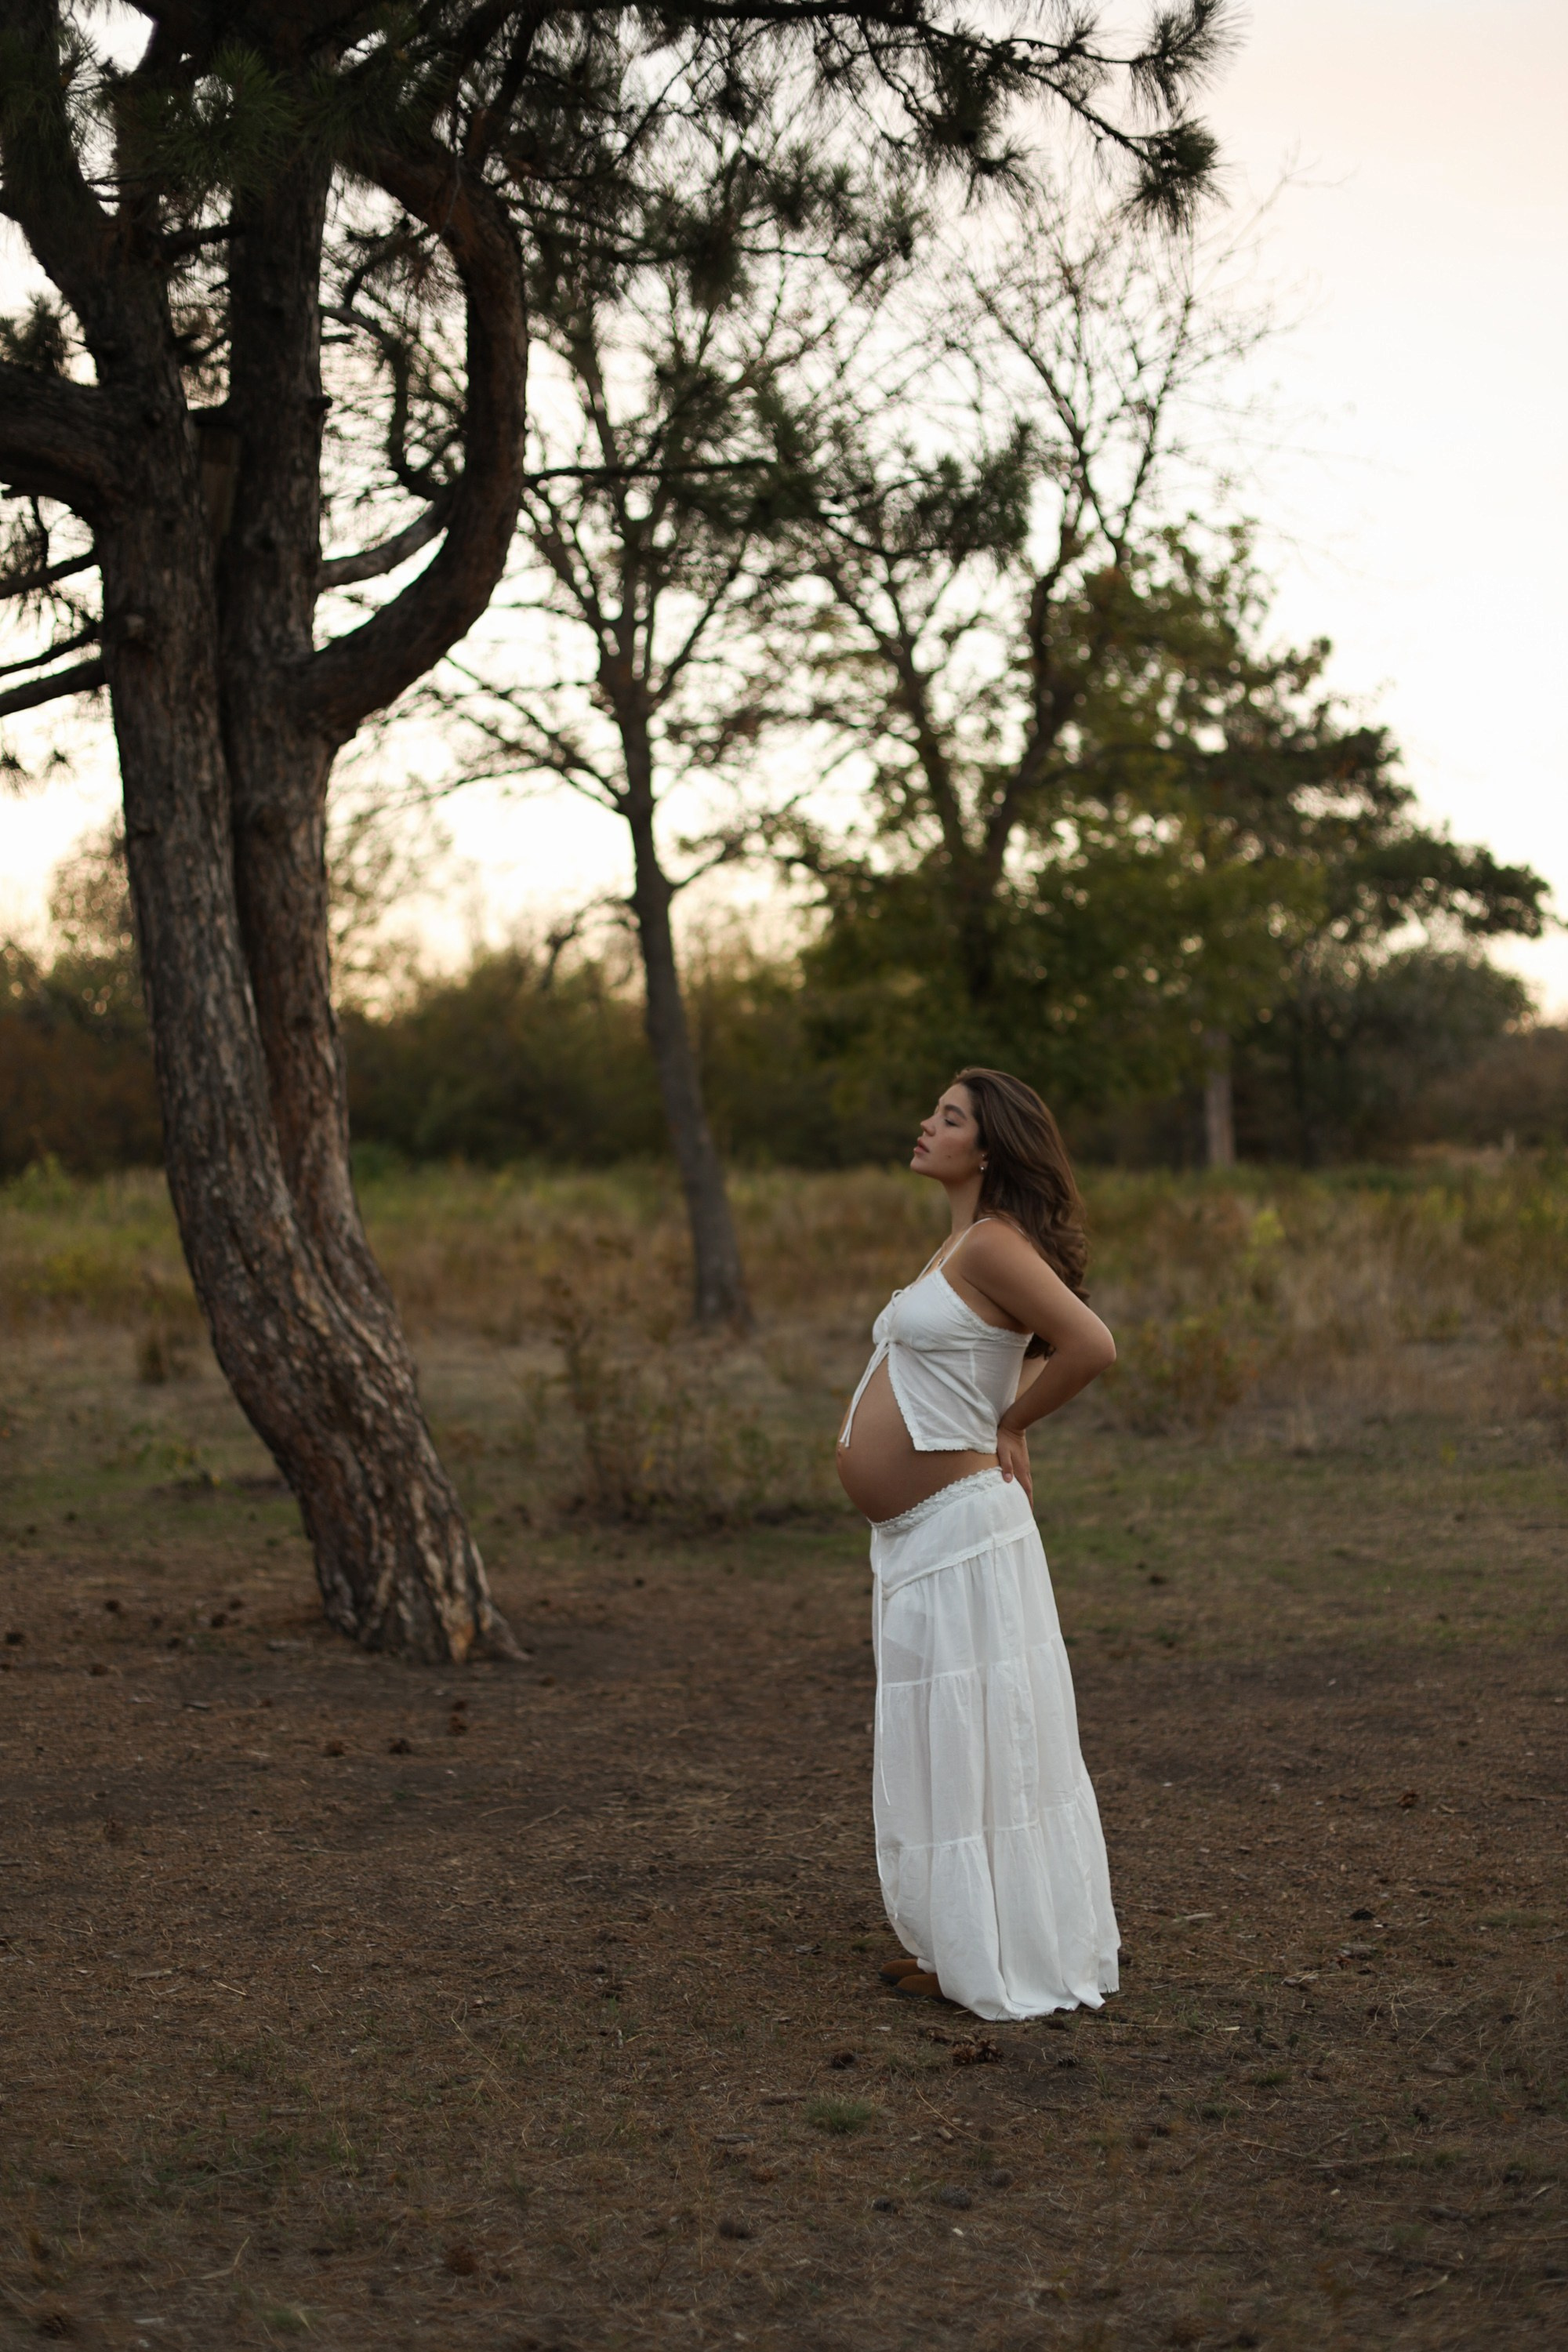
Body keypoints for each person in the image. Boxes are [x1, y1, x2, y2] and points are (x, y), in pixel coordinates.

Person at [837, 1068, 1120, 2020]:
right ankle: (961, 1943)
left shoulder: (993, 1242)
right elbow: (986, 1349)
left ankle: (998, 1952)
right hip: (923, 1536)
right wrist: (1007, 1410)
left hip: (962, 1531)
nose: (925, 1124)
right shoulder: (960, 1243)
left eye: (949, 1117)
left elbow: (1088, 1343)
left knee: (975, 1742)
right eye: (933, 1111)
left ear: (988, 1146)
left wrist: (1011, 1423)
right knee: (943, 1744)